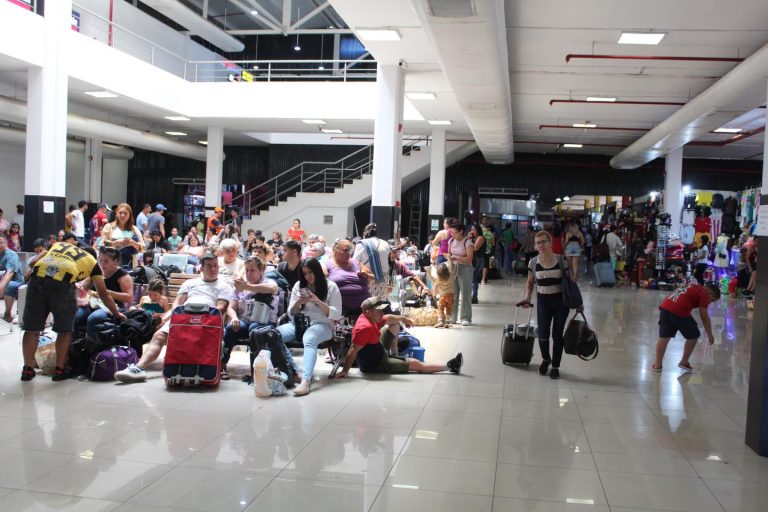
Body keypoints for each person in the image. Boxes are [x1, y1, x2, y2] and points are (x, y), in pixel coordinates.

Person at [114, 252, 233, 383]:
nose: (213, 269)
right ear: (202, 268)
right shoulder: (190, 283)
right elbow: (177, 303)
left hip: (208, 321)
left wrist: (198, 313)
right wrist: (164, 320)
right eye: (209, 266)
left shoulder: (224, 286)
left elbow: (220, 308)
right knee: (159, 335)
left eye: (215, 265)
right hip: (183, 318)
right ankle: (138, 369)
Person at [21, 236, 125, 381]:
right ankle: (59, 370)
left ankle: (27, 369)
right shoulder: (92, 263)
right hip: (62, 283)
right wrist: (116, 313)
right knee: (64, 330)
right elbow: (103, 293)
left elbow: (33, 262)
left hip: (37, 277)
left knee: (32, 329)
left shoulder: (58, 245)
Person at [334, 297, 463, 378]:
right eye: (378, 310)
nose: (382, 312)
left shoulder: (369, 317)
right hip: (377, 363)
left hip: (378, 349)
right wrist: (345, 371)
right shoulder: (365, 327)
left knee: (394, 324)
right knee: (416, 364)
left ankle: (394, 355)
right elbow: (353, 350)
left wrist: (403, 318)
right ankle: (449, 367)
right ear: (368, 312)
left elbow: (388, 318)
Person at [276, 257, 342, 396]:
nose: (308, 276)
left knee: (309, 338)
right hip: (299, 323)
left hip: (322, 325)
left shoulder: (331, 286)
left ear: (317, 271)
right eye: (305, 273)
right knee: (274, 335)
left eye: (311, 272)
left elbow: (336, 314)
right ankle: (295, 371)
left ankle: (305, 381)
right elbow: (291, 312)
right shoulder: (299, 285)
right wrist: (298, 302)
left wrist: (318, 301)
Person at [519, 230, 573, 380]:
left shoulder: (562, 260)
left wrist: (578, 302)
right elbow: (530, 283)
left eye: (543, 241)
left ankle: (555, 365)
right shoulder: (533, 262)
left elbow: (570, 283)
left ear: (550, 242)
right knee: (543, 334)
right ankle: (546, 359)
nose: (540, 245)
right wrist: (527, 298)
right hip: (543, 301)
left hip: (561, 302)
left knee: (557, 334)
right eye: (538, 243)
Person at [222, 256, 279, 380]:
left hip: (265, 322)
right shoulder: (239, 287)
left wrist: (247, 287)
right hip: (244, 321)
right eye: (247, 270)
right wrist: (234, 318)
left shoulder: (269, 283)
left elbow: (273, 289)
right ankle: (222, 365)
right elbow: (230, 307)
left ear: (261, 271)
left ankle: (256, 371)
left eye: (252, 270)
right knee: (231, 327)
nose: (248, 273)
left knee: (255, 329)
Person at [652, 282, 721, 373]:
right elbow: (704, 316)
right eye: (711, 300)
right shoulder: (704, 293)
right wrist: (710, 335)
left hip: (665, 308)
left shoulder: (692, 285)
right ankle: (684, 362)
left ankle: (657, 366)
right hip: (679, 310)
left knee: (664, 337)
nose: (709, 303)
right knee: (693, 335)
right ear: (710, 293)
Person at [74, 247, 133, 338]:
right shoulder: (97, 272)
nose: (102, 263)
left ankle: (91, 347)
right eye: (100, 260)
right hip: (94, 303)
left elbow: (129, 297)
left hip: (113, 306)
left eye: (106, 261)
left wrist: (106, 292)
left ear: (116, 261)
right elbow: (83, 288)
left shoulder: (123, 276)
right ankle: (74, 346)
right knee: (76, 316)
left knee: (94, 318)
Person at [323, 238, 372, 318]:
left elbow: (372, 277)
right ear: (336, 250)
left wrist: (366, 276)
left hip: (365, 307)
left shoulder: (356, 263)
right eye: (345, 250)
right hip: (342, 310)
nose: (349, 253)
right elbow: (320, 283)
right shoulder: (327, 265)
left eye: (350, 251)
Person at [100, 203, 145, 269]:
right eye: (120, 213)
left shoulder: (135, 229)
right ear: (116, 214)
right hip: (111, 265)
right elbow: (102, 245)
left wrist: (132, 243)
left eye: (125, 213)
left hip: (131, 266)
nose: (122, 215)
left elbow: (143, 248)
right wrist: (116, 243)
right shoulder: (108, 227)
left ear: (130, 215)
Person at [353, 223, 390, 300]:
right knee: (380, 303)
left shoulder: (362, 243)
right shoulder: (385, 243)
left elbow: (354, 262)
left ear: (365, 233)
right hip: (383, 279)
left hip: (368, 278)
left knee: (367, 303)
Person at [447, 223, 474, 326]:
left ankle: (465, 317)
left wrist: (456, 258)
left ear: (461, 231)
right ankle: (452, 317)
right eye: (451, 233)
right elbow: (449, 253)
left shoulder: (468, 242)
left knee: (465, 293)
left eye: (454, 233)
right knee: (453, 293)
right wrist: (449, 256)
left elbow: (469, 259)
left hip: (465, 269)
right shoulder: (451, 241)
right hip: (453, 268)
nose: (452, 235)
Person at [0, 235, 24, 323]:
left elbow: (9, 273)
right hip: (2, 280)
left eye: (0, 243)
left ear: (6, 243)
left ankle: (7, 314)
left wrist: (1, 287)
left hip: (16, 282)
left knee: (8, 285)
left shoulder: (11, 255)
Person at [429, 261, 455, 328]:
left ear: (438, 273)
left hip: (442, 297)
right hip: (450, 296)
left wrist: (434, 295)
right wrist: (449, 259)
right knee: (448, 309)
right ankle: (447, 322)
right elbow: (450, 266)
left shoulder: (438, 280)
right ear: (447, 271)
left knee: (440, 309)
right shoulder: (451, 276)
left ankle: (440, 321)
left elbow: (434, 285)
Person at [469, 223, 486, 304]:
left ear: (478, 230)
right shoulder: (473, 238)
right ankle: (472, 296)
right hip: (474, 259)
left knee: (474, 277)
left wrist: (468, 241)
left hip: (478, 259)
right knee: (472, 277)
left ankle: (474, 296)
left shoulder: (480, 238)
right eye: (471, 229)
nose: (472, 231)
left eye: (473, 229)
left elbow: (475, 248)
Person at [480, 215, 496, 284]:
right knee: (480, 264)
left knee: (485, 264)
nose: (485, 221)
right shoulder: (478, 228)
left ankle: (483, 279)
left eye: (486, 220)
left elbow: (493, 239)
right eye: (483, 219)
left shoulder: (491, 228)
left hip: (487, 249)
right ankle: (480, 278)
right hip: (479, 248)